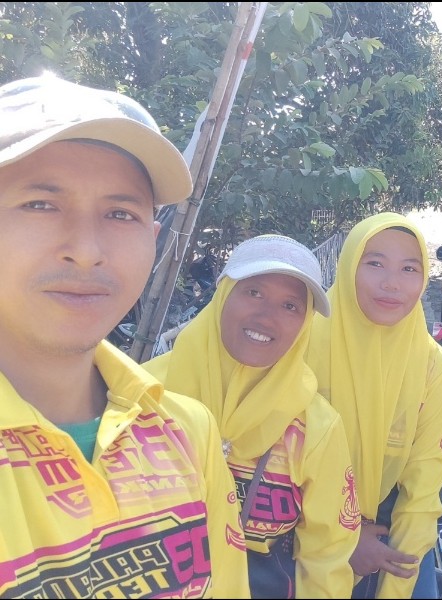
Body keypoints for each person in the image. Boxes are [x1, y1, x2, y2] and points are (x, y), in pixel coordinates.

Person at [0, 75, 249, 596]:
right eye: (41, 204)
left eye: (121, 213)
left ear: (152, 240)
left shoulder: (187, 430)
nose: (87, 250)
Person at [143, 234, 360, 598]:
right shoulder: (144, 396)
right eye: (254, 292)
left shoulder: (314, 427)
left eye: (290, 306)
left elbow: (327, 555)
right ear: (223, 295)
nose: (267, 316)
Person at [306, 212, 442, 599]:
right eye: (374, 264)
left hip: (387, 536)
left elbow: (424, 485)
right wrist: (344, 536)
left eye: (409, 269)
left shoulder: (432, 365)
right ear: (348, 266)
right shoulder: (301, 342)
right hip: (296, 530)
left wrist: (396, 584)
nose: (392, 283)